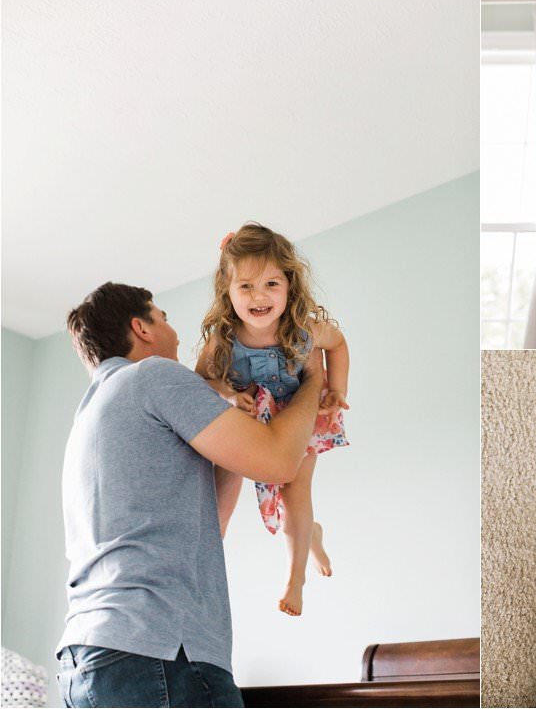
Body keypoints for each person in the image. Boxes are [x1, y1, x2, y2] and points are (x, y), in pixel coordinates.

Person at [56, 282, 324, 707]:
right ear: (141, 328)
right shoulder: (153, 376)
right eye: (163, 318)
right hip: (158, 652)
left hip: (90, 658)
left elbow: (206, 525)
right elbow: (279, 462)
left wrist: (234, 430)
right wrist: (313, 379)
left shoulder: (91, 415)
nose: (176, 332)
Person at [197, 222, 350, 617]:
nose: (258, 296)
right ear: (227, 292)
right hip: (255, 425)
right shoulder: (225, 338)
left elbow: (338, 344)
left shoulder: (302, 330)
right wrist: (230, 394)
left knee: (296, 497)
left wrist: (338, 388)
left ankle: (295, 578)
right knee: (255, 495)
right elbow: (203, 379)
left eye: (270, 285)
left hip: (302, 416)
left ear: (289, 287)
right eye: (245, 286)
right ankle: (311, 534)